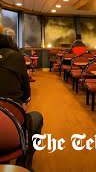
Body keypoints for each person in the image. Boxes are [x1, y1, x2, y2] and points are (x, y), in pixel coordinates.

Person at [0, 24, 43, 172]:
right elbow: (27, 95)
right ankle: (23, 165)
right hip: (12, 125)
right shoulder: (17, 58)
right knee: (37, 117)